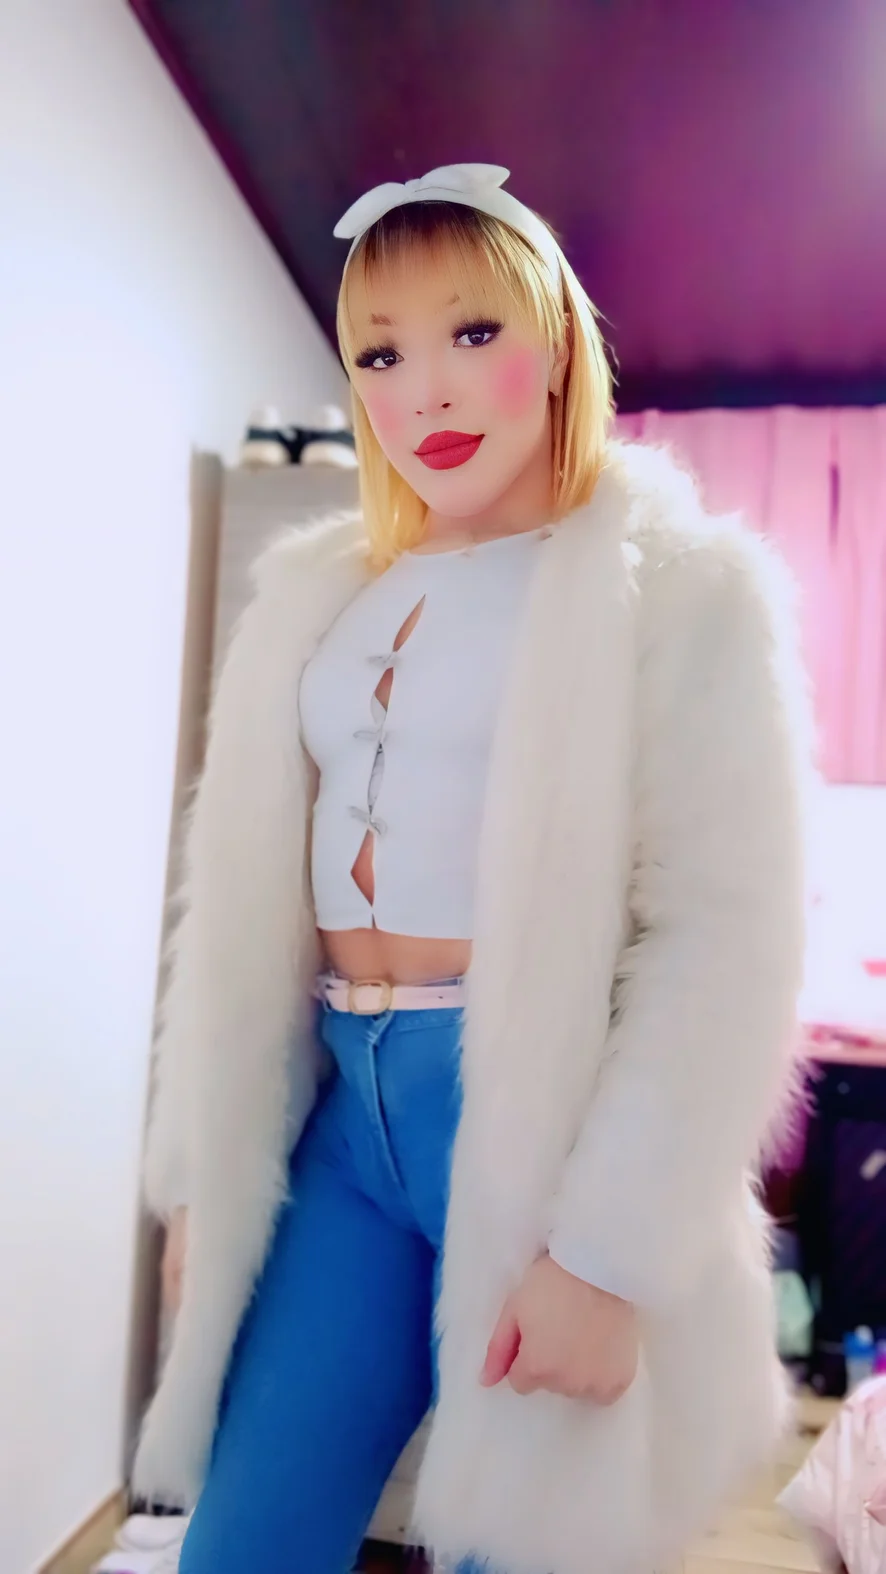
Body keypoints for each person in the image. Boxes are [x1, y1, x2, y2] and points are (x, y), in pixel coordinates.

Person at [132, 164, 809, 1574]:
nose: (425, 390)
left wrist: (610, 1251)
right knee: (241, 1544)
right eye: (380, 354)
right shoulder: (318, 589)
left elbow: (721, 938)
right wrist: (204, 1169)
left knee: (530, 1548)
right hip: (341, 1122)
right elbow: (233, 920)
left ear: (554, 346)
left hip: (542, 1124)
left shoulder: (680, 588)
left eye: (473, 333)